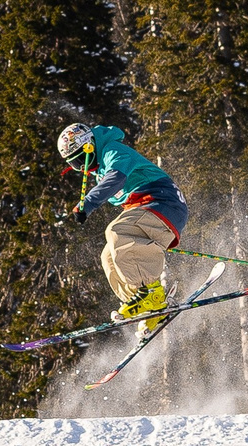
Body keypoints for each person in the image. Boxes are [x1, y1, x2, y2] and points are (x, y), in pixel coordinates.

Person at [58, 122, 188, 334]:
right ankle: (149, 307)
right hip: (148, 209)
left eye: (81, 159)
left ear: (89, 145)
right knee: (108, 256)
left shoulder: (112, 151)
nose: (81, 167)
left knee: (117, 231)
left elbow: (116, 178)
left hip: (163, 203)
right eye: (74, 165)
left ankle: (151, 292)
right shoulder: (99, 169)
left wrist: (87, 204)